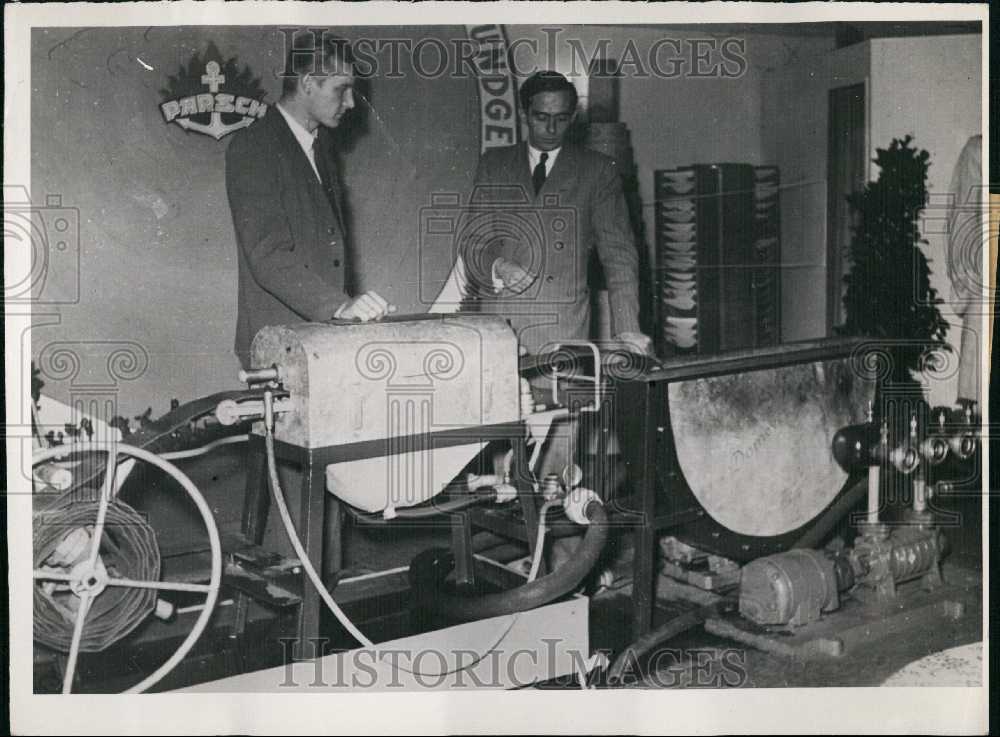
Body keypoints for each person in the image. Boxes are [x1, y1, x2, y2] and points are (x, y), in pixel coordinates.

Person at [225, 34, 392, 369]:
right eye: (341, 89)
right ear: (307, 84)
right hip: (278, 350)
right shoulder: (253, 147)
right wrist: (338, 306)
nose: (351, 103)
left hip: (321, 343)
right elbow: (268, 255)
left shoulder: (323, 149)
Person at [463, 70, 651, 359]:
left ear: (573, 116)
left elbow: (619, 255)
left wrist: (627, 328)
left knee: (561, 403)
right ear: (525, 114)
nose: (551, 128)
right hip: (500, 325)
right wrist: (499, 265)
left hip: (563, 328)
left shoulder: (598, 170)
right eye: (541, 117)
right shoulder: (494, 164)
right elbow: (473, 240)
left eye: (561, 118)